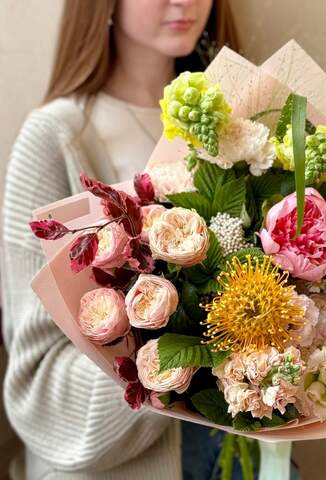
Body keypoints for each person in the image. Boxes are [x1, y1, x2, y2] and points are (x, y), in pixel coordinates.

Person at [1, 1, 240, 479]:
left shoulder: (235, 125)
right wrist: (179, 358)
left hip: (235, 447)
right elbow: (38, 384)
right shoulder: (59, 135)